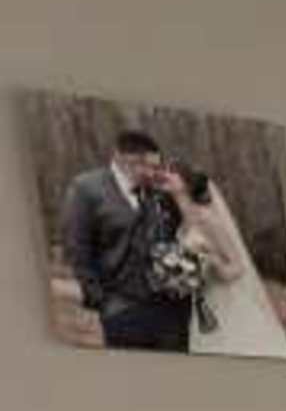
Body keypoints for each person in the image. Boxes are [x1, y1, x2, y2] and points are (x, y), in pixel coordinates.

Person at [58, 127, 195, 353]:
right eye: (147, 166)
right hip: (122, 311)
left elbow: (185, 231)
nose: (154, 173)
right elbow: (77, 249)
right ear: (124, 159)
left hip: (172, 312)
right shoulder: (85, 188)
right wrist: (102, 302)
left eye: (156, 166)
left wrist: (179, 195)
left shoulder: (159, 190)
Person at [171, 171, 286, 360]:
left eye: (172, 173)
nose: (165, 174)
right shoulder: (181, 225)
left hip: (228, 303)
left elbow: (238, 268)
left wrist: (213, 261)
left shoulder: (208, 218)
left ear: (186, 184)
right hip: (202, 307)